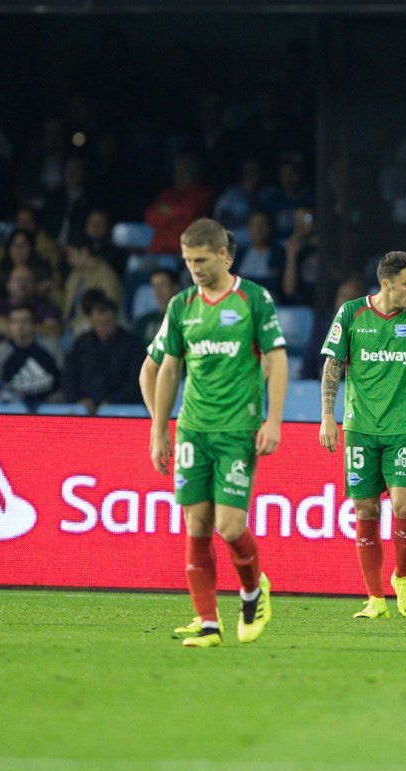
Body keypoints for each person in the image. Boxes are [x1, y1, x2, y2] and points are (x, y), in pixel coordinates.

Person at [141, 218, 287, 648]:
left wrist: (273, 421)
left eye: (202, 260)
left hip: (237, 429)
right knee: (196, 525)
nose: (195, 269)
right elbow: (167, 369)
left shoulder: (253, 299)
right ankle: (208, 623)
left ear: (224, 255)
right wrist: (158, 430)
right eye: (188, 261)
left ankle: (252, 592)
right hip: (192, 430)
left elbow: (276, 361)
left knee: (229, 525)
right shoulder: (182, 304)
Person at [319, 250, 406, 619]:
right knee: (366, 510)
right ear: (387, 283)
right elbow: (333, 365)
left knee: (405, 508)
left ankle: (402, 577)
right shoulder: (351, 314)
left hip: (402, 431)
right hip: (360, 430)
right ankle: (375, 599)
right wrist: (327, 416)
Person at [0, 304, 63, 408]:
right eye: (15, 321)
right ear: (10, 326)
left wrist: (58, 397)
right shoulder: (1, 352)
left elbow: (67, 380)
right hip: (14, 412)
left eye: (25, 321)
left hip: (50, 411)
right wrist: (0, 390)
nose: (20, 326)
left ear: (33, 324)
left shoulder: (51, 348)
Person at [62, 293, 145, 413]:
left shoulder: (132, 344)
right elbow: (69, 376)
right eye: (98, 323)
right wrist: (78, 399)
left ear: (115, 319)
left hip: (120, 408)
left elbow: (136, 382)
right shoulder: (82, 343)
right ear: (91, 321)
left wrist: (112, 402)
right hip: (84, 406)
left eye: (107, 322)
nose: (102, 327)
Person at [0, 264, 62, 352]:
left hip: (33, 358)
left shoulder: (44, 307)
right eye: (18, 279)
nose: (23, 283)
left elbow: (54, 332)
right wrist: (28, 329)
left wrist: (12, 328)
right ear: (8, 285)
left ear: (34, 285)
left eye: (27, 279)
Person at [144, 154, 215, 254]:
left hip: (185, 251)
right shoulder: (167, 193)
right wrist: (174, 215)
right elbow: (150, 216)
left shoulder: (203, 193)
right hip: (159, 246)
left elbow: (189, 212)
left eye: (185, 171)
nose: (180, 174)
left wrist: (167, 213)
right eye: (178, 170)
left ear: (195, 173)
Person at [61, 236, 124, 337]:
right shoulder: (74, 275)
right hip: (70, 325)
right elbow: (66, 306)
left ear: (84, 251)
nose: (68, 260)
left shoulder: (105, 274)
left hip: (94, 323)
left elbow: (109, 307)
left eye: (70, 254)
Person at [232, 211, 284, 292]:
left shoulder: (278, 255)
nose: (258, 229)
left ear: (270, 228)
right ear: (249, 229)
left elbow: (276, 285)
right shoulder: (238, 255)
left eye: (262, 225)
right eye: (254, 225)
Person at [132, 268, 179, 344]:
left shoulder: (186, 317)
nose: (158, 290)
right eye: (154, 286)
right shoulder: (144, 321)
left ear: (175, 287)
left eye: (163, 284)